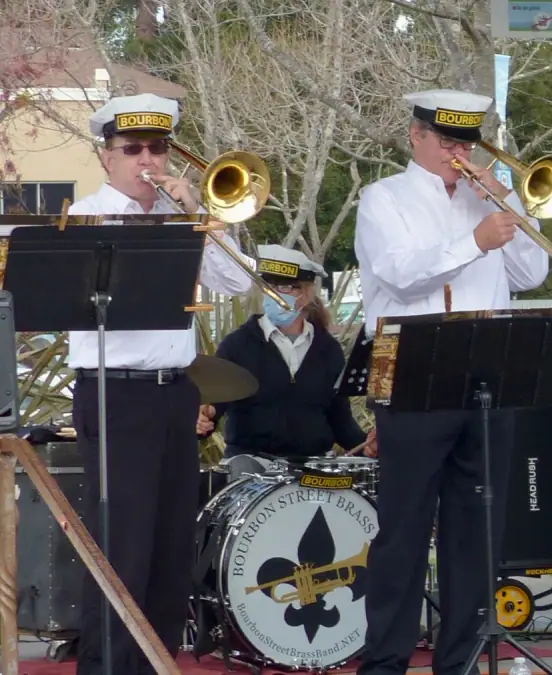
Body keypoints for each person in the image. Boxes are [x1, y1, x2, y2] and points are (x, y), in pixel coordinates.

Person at [353, 88, 549, 675]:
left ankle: (459, 661)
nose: (457, 154)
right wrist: (474, 240)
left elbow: (533, 272)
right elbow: (401, 274)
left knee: (477, 533)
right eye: (446, 142)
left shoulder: (483, 199)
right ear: (416, 136)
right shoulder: (382, 198)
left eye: (466, 143)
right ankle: (385, 663)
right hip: (412, 372)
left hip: (489, 374)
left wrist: (509, 202)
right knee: (403, 531)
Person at [67, 93, 255, 675]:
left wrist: (200, 215)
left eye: (158, 148)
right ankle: (108, 664)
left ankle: (156, 662)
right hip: (115, 390)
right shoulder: (85, 216)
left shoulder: (184, 216)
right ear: (107, 157)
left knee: (171, 542)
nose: (147, 160)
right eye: (132, 150)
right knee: (123, 545)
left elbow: (238, 281)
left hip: (177, 390)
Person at [196, 245, 375, 473]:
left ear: (307, 293)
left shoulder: (328, 349)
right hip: (252, 467)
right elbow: (215, 404)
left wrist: (366, 445)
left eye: (286, 287)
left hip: (313, 468)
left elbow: (340, 420)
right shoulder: (237, 344)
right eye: (269, 286)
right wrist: (204, 416)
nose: (275, 294)